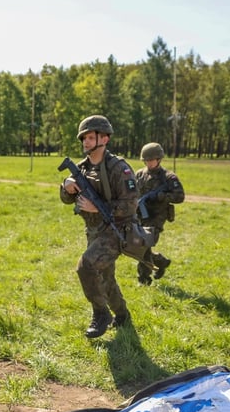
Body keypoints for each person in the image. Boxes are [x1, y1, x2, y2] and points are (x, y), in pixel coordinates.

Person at [60, 115, 138, 339]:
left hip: (116, 231)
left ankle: (101, 313)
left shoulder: (118, 168)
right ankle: (122, 315)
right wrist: (67, 187)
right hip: (93, 232)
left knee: (86, 267)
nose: (85, 142)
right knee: (105, 277)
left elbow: (131, 204)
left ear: (104, 138)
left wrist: (98, 208)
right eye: (83, 138)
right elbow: (66, 199)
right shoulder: (82, 168)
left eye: (90, 137)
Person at [134, 143, 185, 285]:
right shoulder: (139, 174)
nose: (149, 163)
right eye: (146, 160)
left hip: (156, 217)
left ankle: (144, 279)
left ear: (159, 159)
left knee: (143, 245)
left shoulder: (168, 178)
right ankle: (161, 262)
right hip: (139, 215)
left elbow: (180, 197)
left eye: (151, 160)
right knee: (136, 245)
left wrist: (162, 196)